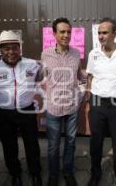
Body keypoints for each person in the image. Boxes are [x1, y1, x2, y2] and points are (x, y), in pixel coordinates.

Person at [85, 17, 116, 186]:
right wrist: (87, 102)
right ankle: (95, 173)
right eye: (99, 32)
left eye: (105, 32)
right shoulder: (94, 54)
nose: (101, 36)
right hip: (98, 101)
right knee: (96, 139)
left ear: (115, 33)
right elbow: (90, 78)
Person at [0, 30, 42, 186]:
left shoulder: (32, 64)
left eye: (14, 47)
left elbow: (40, 79)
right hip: (4, 114)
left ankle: (35, 173)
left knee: (32, 144)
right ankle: (15, 174)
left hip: (27, 111)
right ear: (1, 50)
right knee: (9, 146)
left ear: (20, 48)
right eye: (6, 48)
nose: (11, 51)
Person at [41, 17, 83, 186]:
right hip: (53, 108)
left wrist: (97, 76)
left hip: (72, 106)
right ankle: (53, 175)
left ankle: (67, 171)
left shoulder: (76, 54)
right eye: (62, 32)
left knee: (71, 142)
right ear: (54, 34)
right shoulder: (46, 54)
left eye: (68, 32)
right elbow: (42, 75)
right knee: (53, 145)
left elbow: (80, 75)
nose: (66, 35)